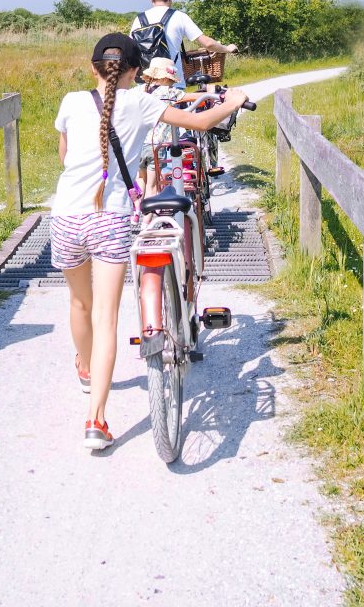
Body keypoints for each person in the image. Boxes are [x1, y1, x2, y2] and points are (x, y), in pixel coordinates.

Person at [50, 32, 248, 450]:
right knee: (106, 318)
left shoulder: (71, 101)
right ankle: (95, 420)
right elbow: (199, 123)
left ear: (93, 68)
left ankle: (85, 367)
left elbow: (65, 158)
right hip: (109, 218)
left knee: (80, 304)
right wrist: (231, 102)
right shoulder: (141, 102)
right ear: (136, 72)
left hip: (66, 215)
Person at [130, 0, 238, 90]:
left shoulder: (139, 19)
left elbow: (130, 51)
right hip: (172, 84)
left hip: (146, 85)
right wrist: (227, 49)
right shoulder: (179, 17)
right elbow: (208, 44)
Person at [135, 56, 185, 198]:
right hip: (156, 146)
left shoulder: (139, 90)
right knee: (153, 187)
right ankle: (148, 213)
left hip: (139, 145)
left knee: (140, 179)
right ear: (165, 78)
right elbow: (188, 97)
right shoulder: (170, 92)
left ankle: (136, 209)